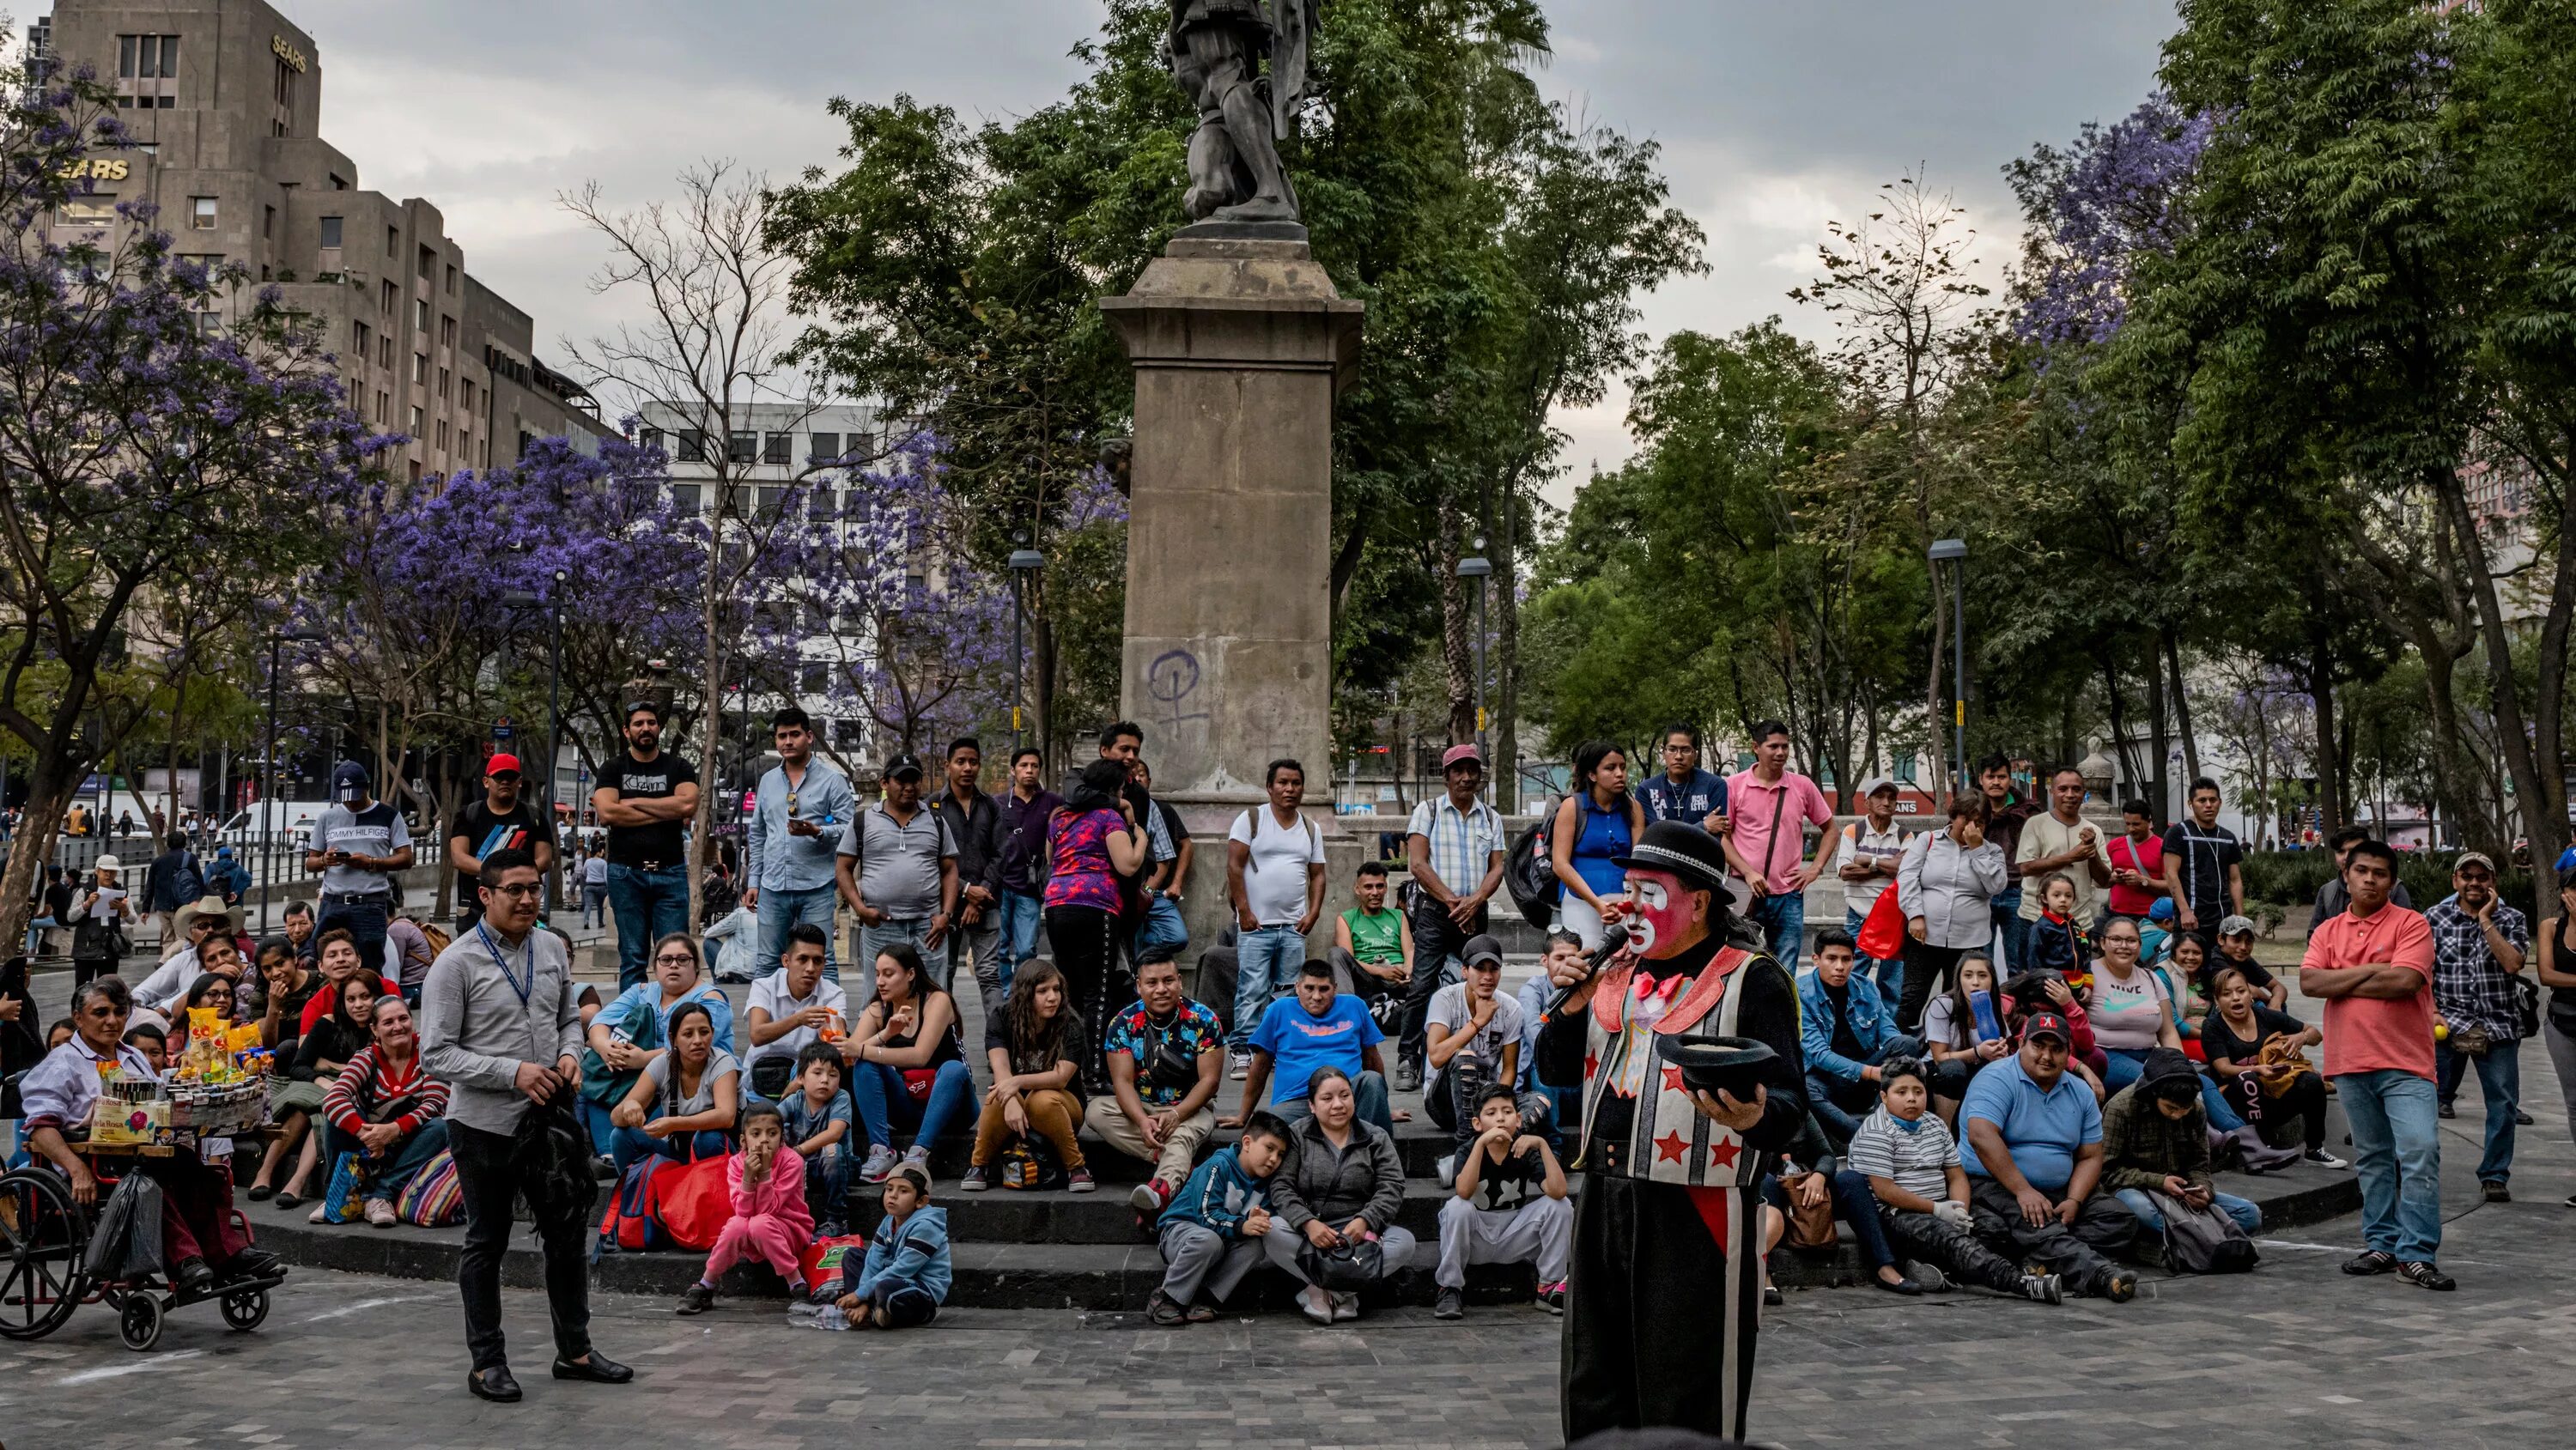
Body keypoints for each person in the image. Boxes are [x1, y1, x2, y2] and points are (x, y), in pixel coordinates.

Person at [1535, 819, 1807, 1443]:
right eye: (1627, 887)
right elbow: (1554, 1070)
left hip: (1698, 1207)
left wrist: (1754, 1116)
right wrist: (1570, 1005)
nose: (1627, 904)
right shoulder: (1613, 971)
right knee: (1594, 1375)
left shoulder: (1753, 977)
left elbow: (1793, 1102)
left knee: (1686, 1382)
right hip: (1605, 1196)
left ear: (1701, 900)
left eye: (1648, 890)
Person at [419, 847, 630, 1402]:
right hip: (483, 1124)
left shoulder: (550, 948)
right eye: (514, 889)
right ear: (485, 895)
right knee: (486, 1241)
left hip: (549, 1122)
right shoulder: (456, 962)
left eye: (534, 887)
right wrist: (511, 1072)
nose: (528, 898)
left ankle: (576, 1350)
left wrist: (568, 1054)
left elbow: (568, 1017)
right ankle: (487, 1362)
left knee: (565, 1237)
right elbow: (436, 1054)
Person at [19, 977, 282, 1298]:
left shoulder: (133, 1057)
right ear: (78, 1017)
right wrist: (76, 1170)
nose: (112, 1021)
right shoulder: (62, 1063)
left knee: (206, 1174)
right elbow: (40, 1127)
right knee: (148, 1183)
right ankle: (186, 1261)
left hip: (145, 1149)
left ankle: (227, 1254)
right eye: (100, 1013)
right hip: (95, 1159)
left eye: (119, 1012)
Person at [2299, 837, 2451, 1289]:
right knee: (2373, 1158)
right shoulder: (2327, 930)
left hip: (2407, 1064)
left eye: (2379, 873)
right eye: (2361, 870)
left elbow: (2405, 981)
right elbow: (2309, 981)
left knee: (2420, 1152)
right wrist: (2372, 969)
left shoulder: (2412, 924)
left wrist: (2341, 978)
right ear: (2346, 875)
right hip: (2350, 1062)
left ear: (2392, 881)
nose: (2369, 879)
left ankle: (2417, 1254)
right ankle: (2382, 1244)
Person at [1840, 1059, 2063, 1301]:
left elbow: (1956, 1175)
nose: (1912, 1098)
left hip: (1943, 1204)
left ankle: (1939, 1268)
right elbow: (1886, 1191)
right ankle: (2021, 1284)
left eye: (1918, 1091)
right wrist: (1937, 1210)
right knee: (1951, 1239)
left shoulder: (1935, 1124)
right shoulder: (1875, 1132)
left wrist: (1960, 1212)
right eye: (1901, 1092)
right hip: (1899, 1215)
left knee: (1994, 1228)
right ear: (1884, 1097)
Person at [1959, 1012, 2140, 1301]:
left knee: (2118, 1219)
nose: (2047, 1056)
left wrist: (2075, 1200)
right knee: (2036, 1222)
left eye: (2056, 1049)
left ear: (2069, 1053)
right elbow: (1981, 1136)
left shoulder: (2080, 1091)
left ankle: (2039, 1259)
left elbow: (2091, 1156)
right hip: (1995, 1183)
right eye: (2038, 1046)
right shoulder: (1996, 1078)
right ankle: (2101, 1275)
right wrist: (2023, 1190)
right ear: (2021, 1044)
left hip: (2058, 1190)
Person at [1264, 1065, 1416, 1325]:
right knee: (1271, 1229)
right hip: (1314, 1235)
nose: (1338, 1105)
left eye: (1345, 1096)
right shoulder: (1298, 1135)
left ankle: (1322, 1291)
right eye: (1327, 1098)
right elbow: (1281, 1187)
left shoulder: (1375, 1137)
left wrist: (1365, 1220)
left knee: (1405, 1242)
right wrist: (1309, 1223)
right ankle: (1345, 1295)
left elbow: (1392, 1186)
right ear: (1311, 1105)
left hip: (1360, 1236)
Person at [1398, 743, 1509, 1091]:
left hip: (1475, 913)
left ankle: (1483, 1051)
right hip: (1435, 912)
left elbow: (1498, 866)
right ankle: (1408, 1059)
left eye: (1471, 770)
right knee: (1422, 985)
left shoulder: (1490, 817)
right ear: (1445, 776)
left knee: (1482, 981)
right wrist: (1452, 902)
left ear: (1480, 776)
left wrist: (1476, 901)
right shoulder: (1427, 811)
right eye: (1458, 771)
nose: (1465, 777)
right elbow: (1417, 863)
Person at [2425, 851, 2528, 1202]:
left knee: (2503, 1104)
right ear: (2455, 881)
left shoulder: (2512, 918)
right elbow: (2423, 973)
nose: (2473, 882)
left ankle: (2495, 1174)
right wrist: (2433, 1011)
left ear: (2492, 883)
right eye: (2466, 876)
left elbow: (2513, 964)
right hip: (2446, 1024)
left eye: (2481, 877)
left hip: (2498, 1025)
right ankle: (2416, 1170)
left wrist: (2486, 920)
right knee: (2423, 1101)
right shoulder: (2433, 918)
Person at [1090, 954, 1225, 1218]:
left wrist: (1177, 1114)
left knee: (1185, 1133)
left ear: (1180, 981)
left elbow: (1210, 1082)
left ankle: (1159, 1197)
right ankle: (1176, 1161)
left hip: (1190, 1109)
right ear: (1139, 986)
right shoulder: (1122, 1023)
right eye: (1152, 983)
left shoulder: (1204, 1019)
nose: (1161, 989)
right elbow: (1122, 1082)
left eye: (1168, 980)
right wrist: (1141, 1120)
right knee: (1096, 1111)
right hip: (1143, 1107)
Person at [583, 933, 733, 1155]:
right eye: (666, 960)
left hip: (694, 1078)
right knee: (595, 1076)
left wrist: (643, 1059)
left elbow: (695, 1046)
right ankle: (607, 1154)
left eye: (683, 960)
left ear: (696, 967)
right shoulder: (643, 991)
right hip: (646, 1072)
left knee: (703, 1140)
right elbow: (600, 1020)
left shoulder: (711, 999)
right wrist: (606, 1048)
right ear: (655, 966)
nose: (674, 965)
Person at [1434, 1083, 1572, 1320]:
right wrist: (1480, 1144)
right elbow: (1464, 1191)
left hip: (1513, 1234)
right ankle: (1450, 1287)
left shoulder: (1524, 1149)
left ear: (1518, 1119)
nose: (1500, 1119)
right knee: (1457, 1207)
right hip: (1475, 1236)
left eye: (1507, 1112)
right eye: (1491, 1113)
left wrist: (1541, 1144)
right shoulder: (1468, 1150)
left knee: (1561, 1206)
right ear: (1477, 1124)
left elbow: (1558, 1191)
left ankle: (1549, 1285)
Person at [841, 943, 975, 1186]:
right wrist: (886, 1035)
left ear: (911, 974)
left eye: (889, 974)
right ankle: (881, 1151)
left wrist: (863, 1049)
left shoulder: (937, 1001)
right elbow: (849, 1058)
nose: (880, 981)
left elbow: (920, 1056)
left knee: (954, 1068)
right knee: (865, 1065)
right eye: (877, 974)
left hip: (954, 1104)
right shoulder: (877, 1009)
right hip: (909, 1103)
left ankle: (918, 1154)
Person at [1043, 759, 1146, 1068]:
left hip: (1056, 905)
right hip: (1095, 906)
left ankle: (1067, 1064)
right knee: (1097, 995)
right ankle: (1095, 1072)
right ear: (1115, 789)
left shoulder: (1059, 818)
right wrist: (1140, 839)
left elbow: (1051, 857)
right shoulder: (1108, 818)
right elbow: (1127, 864)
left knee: (1069, 990)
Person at [2100, 1045, 2262, 1241]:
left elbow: (2199, 1165)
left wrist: (2203, 1190)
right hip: (2136, 1191)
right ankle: (2202, 1238)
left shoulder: (2196, 1109)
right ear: (2154, 1094)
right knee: (2143, 1212)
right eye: (2170, 1108)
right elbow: (2107, 1173)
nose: (2177, 1115)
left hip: (2180, 1194)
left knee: (2250, 1215)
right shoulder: (2121, 1109)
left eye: (2183, 1109)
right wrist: (2159, 1182)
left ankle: (2188, 1239)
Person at [318, 992, 453, 1226]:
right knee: (337, 1115)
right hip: (371, 1150)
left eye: (403, 1019)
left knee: (441, 1127)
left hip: (412, 1146)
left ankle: (381, 1195)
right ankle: (338, 1194)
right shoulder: (367, 1057)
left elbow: (434, 1105)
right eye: (388, 1022)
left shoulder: (428, 1054)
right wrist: (368, 1135)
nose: (398, 1027)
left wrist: (394, 1130)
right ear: (374, 1029)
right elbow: (333, 1098)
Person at [592, 700, 702, 990]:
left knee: (676, 956)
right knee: (632, 957)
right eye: (639, 724)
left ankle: (678, 1024)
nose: (646, 728)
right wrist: (665, 809)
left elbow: (688, 804)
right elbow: (608, 812)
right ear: (626, 731)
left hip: (671, 874)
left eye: (651, 723)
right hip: (626, 875)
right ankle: (633, 1023)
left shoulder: (678, 766)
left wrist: (634, 803)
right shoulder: (612, 768)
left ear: (659, 728)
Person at [1225, 758, 1327, 1060]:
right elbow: (1234, 866)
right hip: (1256, 926)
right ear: (1270, 787)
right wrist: (1243, 911)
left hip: (1294, 927)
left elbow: (1318, 874)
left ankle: (1277, 1048)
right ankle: (1243, 1047)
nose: (1289, 789)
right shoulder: (1251, 819)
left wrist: (1314, 912)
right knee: (1252, 989)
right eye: (1283, 783)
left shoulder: (1310, 828)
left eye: (1296, 783)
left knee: (1287, 992)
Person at [744, 708, 857, 983]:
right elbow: (758, 834)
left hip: (816, 886)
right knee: (768, 962)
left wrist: (819, 831)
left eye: (794, 734)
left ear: (809, 737)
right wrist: (754, 881)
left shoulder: (832, 781)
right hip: (772, 888)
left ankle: (830, 1025)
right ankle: (765, 1025)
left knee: (823, 960)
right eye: (781, 736)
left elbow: (853, 829)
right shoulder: (768, 781)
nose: (788, 741)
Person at [963, 959, 1095, 1192]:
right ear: (1026, 994)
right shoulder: (1002, 1017)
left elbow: (1060, 1077)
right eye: (1042, 991)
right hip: (1014, 1108)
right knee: (997, 1097)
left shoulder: (1070, 1022)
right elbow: (1000, 1066)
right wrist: (1012, 1097)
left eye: (1056, 989)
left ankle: (1077, 1168)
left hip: (1063, 1105)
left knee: (1040, 1099)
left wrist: (1018, 1082)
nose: (1053, 997)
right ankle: (978, 1166)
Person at [1227, 957, 1400, 1136]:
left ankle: (1377, 1160)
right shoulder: (1279, 1010)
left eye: (1324, 989)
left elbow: (1372, 1059)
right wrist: (1243, 1115)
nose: (1316, 997)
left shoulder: (1355, 1005)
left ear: (1335, 988)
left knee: (1371, 1080)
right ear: (1297, 987)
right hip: (1297, 1101)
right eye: (1309, 988)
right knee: (1268, 1131)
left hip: (1346, 1099)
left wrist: (1381, 1108)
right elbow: (1260, 1066)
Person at [1148, 1112, 1290, 1326]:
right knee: (1208, 1240)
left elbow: (1259, 1221)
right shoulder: (1219, 1165)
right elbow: (1206, 1215)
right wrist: (1242, 1224)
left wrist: (1258, 1221)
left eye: (1280, 1155)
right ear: (1247, 1142)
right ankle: (1168, 1298)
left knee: (1255, 1246)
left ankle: (1205, 1297)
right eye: (1269, 1148)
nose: (1274, 1160)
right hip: (1182, 1234)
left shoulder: (1267, 1183)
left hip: (1221, 1244)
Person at [674, 1099, 814, 1315]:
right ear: (743, 1140)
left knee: (759, 1224)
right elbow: (743, 1212)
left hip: (790, 1230)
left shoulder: (792, 1161)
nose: (764, 1140)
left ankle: (797, 1285)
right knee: (736, 1225)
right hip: (753, 1230)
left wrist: (765, 1173)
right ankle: (706, 1284)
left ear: (782, 1137)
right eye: (756, 1134)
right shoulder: (736, 1163)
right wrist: (749, 1178)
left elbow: (770, 1210)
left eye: (772, 1133)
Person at [258, 968, 379, 1207]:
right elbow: (298, 1065)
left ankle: (297, 1181)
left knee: (325, 1111)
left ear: (376, 997)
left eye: (365, 997)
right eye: (351, 999)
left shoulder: (382, 1028)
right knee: (304, 1107)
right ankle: (264, 1172)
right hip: (315, 1084)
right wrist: (322, 1078)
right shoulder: (327, 1024)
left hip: (351, 1094)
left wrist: (333, 1067)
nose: (358, 1005)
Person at [2201, 964, 2342, 1168]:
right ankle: (2258, 1148)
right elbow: (2224, 1069)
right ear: (2217, 1001)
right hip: (2235, 1100)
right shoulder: (2212, 1026)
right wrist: (2257, 1069)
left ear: (2251, 995)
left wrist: (2301, 1038)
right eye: (2227, 994)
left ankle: (2315, 1149)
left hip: (2272, 1094)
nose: (2235, 998)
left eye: (2241, 991)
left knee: (2311, 1081)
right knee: (2248, 1079)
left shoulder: (2265, 1016)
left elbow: (2315, 1035)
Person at [837, 749, 958, 988]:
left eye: (914, 780)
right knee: (877, 999)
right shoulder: (863, 821)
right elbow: (843, 868)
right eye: (901, 781)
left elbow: (950, 870)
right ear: (884, 783)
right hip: (881, 925)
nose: (909, 787)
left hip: (928, 927)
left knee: (933, 996)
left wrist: (946, 915)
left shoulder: (935, 821)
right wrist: (860, 909)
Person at [1799, 929, 1928, 1146]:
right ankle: (1867, 1139)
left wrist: (1895, 1068)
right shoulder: (1800, 993)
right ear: (1816, 960)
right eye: (1832, 959)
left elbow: (1888, 1032)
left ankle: (1885, 1121)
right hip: (1827, 1079)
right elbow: (1819, 1054)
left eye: (1846, 959)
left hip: (1866, 1079)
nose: (1840, 966)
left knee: (1906, 1044)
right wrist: (1872, 1073)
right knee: (1803, 1089)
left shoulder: (1865, 987)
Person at [1725, 722, 1836, 973]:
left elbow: (1831, 830)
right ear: (1756, 747)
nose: (1780, 752)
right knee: (1735, 963)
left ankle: (1782, 1012)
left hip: (1788, 894)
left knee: (1785, 968)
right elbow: (1723, 839)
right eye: (1773, 746)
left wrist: (1814, 869)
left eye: (1785, 746)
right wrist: (1748, 871)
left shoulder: (1802, 786)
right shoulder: (1734, 785)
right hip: (1744, 891)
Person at [1422, 934, 1550, 1148]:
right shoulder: (1444, 999)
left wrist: (1495, 1107)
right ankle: (1469, 1146)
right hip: (1443, 1103)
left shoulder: (1511, 1008)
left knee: (1540, 1101)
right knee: (1464, 1058)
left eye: (1494, 969)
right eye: (1480, 968)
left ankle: (1489, 1138)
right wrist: (1478, 1022)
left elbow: (1509, 1070)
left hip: (1486, 1101)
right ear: (1465, 971)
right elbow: (1435, 1057)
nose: (1487, 976)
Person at [1894, 792, 2007, 1033]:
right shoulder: (1928, 840)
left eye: (1980, 822)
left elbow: (1996, 886)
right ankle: (1898, 1049)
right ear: (1954, 816)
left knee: (1960, 1001)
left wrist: (1977, 851)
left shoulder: (1992, 852)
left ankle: (1953, 1050)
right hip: (1924, 937)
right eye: (1966, 819)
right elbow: (1907, 877)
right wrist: (1915, 915)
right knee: (1911, 998)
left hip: (1970, 940)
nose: (1972, 827)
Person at [304, 761, 414, 979]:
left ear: (367, 787)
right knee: (322, 959)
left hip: (370, 902)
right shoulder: (328, 818)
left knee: (369, 964)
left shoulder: (388, 815)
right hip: (333, 902)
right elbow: (310, 863)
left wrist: (372, 862)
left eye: (355, 795)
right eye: (345, 797)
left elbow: (406, 858)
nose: (351, 802)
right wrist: (326, 860)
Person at [608, 999, 740, 1174]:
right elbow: (615, 1118)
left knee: (707, 1138)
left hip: (722, 1158)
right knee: (621, 1136)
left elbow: (726, 1116)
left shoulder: (723, 1063)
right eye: (688, 1034)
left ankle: (713, 1198)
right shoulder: (662, 1064)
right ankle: (634, 1196)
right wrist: (628, 1106)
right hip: (676, 1155)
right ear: (673, 1039)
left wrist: (674, 1124)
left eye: (704, 1032)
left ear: (713, 1034)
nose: (698, 1041)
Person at [1551, 740, 1647, 954]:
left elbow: (1639, 860)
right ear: (1592, 775)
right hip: (1581, 900)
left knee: (1625, 962)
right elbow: (1560, 863)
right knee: (1588, 959)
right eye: (1610, 768)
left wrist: (1627, 900)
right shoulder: (1572, 807)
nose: (1620, 774)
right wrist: (1596, 904)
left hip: (1625, 900)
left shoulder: (1633, 808)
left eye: (1622, 767)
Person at [929, 737, 1006, 1002]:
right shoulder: (932, 807)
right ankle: (944, 1039)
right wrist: (965, 890)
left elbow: (1000, 854)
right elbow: (930, 858)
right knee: (943, 973)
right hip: (945, 904)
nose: (967, 768)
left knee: (988, 974)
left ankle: (997, 1041)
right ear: (947, 765)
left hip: (986, 901)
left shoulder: (991, 806)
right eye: (960, 762)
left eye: (973, 762)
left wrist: (979, 895)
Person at [829, 1161, 950, 1329]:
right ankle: (868, 1309)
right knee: (853, 1256)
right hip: (892, 1277)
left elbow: (902, 1269)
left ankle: (914, 1314)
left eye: (903, 1191)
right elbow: (873, 1262)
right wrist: (862, 1298)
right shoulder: (889, 1221)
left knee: (885, 1288)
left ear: (921, 1201)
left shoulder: (927, 1227)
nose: (893, 1195)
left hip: (919, 1288)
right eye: (889, 1188)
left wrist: (860, 1294)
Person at [447, 753, 553, 934]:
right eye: (499, 777)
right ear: (486, 781)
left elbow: (544, 859)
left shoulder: (534, 816)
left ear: (519, 782)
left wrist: (517, 880)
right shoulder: (468, 815)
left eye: (511, 777)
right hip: (475, 909)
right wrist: (497, 875)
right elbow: (459, 857)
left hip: (520, 907)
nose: (505, 782)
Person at [743, 923, 847, 1101]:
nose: (810, 968)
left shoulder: (833, 994)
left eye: (817, 961)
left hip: (808, 1082)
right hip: (763, 1077)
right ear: (786, 961)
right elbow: (757, 1035)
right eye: (803, 959)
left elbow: (836, 1048)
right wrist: (798, 1019)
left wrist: (801, 1079)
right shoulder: (764, 986)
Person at [2014, 769, 2113, 945]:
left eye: (2076, 789)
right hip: (2036, 919)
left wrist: (2092, 852)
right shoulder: (2036, 824)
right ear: (2052, 791)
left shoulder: (2094, 830)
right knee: (2034, 973)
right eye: (2063, 789)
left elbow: (2105, 881)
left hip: (2079, 922)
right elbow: (2026, 868)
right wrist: (2070, 857)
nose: (2070, 795)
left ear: (2084, 793)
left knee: (2079, 972)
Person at [1834, 775, 1910, 1004]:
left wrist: (1869, 861)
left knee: (1891, 982)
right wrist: (1887, 867)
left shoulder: (1904, 835)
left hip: (1892, 917)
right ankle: (1852, 1025)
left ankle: (1889, 1032)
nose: (1886, 802)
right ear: (1867, 802)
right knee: (1852, 975)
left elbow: (1904, 870)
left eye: (1891, 798)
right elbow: (1846, 871)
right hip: (1858, 915)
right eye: (1879, 796)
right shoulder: (1852, 831)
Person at [993, 747, 1060, 997]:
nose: (1029, 770)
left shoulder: (1052, 802)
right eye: (1024, 765)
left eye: (1034, 766)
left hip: (1030, 888)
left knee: (1026, 949)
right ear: (1013, 770)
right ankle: (1007, 995)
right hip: (1000, 887)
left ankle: (1023, 995)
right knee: (998, 949)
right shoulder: (998, 803)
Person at [2531, 865, 2576, 1208]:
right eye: (2574, 888)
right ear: (2563, 893)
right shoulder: (2550, 927)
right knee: (2575, 1105)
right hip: (2563, 1023)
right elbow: (2546, 974)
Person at [779, 1041, 856, 1235]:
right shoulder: (795, 1100)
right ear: (800, 1078)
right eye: (818, 1073)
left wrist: (797, 1151)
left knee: (832, 1150)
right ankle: (786, 1218)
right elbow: (770, 1121)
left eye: (833, 1075)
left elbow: (835, 1133)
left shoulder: (841, 1098)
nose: (825, 1080)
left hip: (839, 1167)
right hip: (802, 1168)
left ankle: (837, 1219)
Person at [1971, 755, 2040, 968]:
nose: (1996, 782)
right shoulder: (1970, 810)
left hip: (2017, 891)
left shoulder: (2028, 813)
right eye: (1990, 777)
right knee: (1980, 962)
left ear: (2010, 779)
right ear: (1981, 780)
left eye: (2002, 777)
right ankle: (1984, 1002)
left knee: (2018, 960)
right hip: (1980, 891)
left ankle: (2016, 1002)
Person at [2160, 777, 2245, 943]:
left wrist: (2240, 917)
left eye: (2213, 800)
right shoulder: (2178, 833)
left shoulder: (2228, 838)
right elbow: (2171, 874)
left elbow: (2235, 880)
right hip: (2191, 922)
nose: (2208, 805)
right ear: (2191, 803)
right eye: (2202, 800)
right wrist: (2185, 911)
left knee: (2224, 967)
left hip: (2223, 921)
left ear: (2220, 802)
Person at [1128, 756, 1194, 968]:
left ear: (1149, 780)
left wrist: (1175, 883)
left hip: (1153, 890)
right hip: (1126, 890)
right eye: (1133, 775)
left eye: (1142, 775)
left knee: (1178, 937)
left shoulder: (1160, 809)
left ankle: (1140, 951)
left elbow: (1183, 846)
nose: (1138, 779)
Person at [1331, 860, 1413, 1021]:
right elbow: (1348, 959)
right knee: (1336, 953)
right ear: (1357, 889)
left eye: (1380, 886)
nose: (1375, 892)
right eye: (1368, 887)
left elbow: (1409, 950)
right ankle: (1347, 1013)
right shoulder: (1346, 919)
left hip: (1398, 978)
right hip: (1366, 979)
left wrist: (1408, 970)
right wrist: (1382, 972)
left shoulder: (1398, 916)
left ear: (1386, 888)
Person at [1635, 724, 1729, 830]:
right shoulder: (1646, 790)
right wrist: (1703, 826)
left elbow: (1715, 837)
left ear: (1695, 754)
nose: (1678, 756)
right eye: (1672, 749)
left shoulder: (1714, 786)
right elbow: (1655, 836)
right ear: (1663, 752)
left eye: (1686, 750)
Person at [2314, 824, 2414, 923]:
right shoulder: (2327, 892)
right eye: (2341, 852)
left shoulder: (2394, 889)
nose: (2346, 857)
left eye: (2353, 851)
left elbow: (2406, 926)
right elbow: (2314, 933)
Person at [66, 854, 135, 988]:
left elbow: (132, 919)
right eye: (105, 871)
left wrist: (123, 909)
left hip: (110, 949)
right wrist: (87, 904)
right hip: (85, 949)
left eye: (113, 872)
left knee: (107, 989)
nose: (109, 875)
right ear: (97, 871)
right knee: (83, 989)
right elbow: (71, 917)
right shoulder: (84, 890)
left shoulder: (121, 891)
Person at [2104, 799, 2167, 925]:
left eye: (2136, 824)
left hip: (2149, 917)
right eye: (2127, 824)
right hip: (2115, 914)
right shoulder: (2114, 845)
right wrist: (2114, 878)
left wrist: (2142, 881)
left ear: (2149, 822)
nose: (2131, 829)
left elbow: (2172, 886)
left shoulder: (2162, 847)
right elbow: (2100, 882)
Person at [2206, 916, 2288, 1009]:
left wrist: (2275, 1002)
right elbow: (2248, 991)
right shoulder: (2214, 959)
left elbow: (2279, 987)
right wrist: (2269, 1001)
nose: (2243, 947)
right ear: (2221, 939)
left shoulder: (2244, 959)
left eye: (2248, 941)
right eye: (2236, 940)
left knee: (2280, 1004)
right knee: (2258, 1005)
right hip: (2215, 1010)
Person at [143, 829, 203, 947]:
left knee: (167, 940)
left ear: (168, 843)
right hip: (182, 907)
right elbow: (199, 881)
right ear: (184, 843)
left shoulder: (158, 861)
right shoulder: (190, 858)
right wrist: (200, 900)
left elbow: (150, 886)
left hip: (162, 906)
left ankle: (166, 964)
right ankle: (179, 964)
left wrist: (145, 909)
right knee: (182, 939)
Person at [580, 848, 610, 930]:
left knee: (588, 905)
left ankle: (586, 922)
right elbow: (605, 875)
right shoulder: (603, 862)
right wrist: (608, 888)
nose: (602, 853)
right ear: (597, 853)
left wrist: (589, 876)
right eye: (601, 852)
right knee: (600, 906)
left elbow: (584, 872)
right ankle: (600, 923)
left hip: (589, 886)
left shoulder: (588, 861)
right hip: (601, 886)